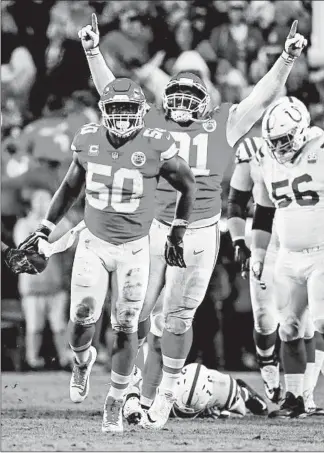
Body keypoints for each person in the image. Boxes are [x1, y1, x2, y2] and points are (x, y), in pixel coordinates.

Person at [79, 14, 307, 428]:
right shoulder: (150, 122)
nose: (182, 105)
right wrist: (93, 51)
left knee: (177, 318)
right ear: (165, 99)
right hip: (153, 225)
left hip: (199, 228)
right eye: (177, 97)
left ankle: (162, 396)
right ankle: (131, 392)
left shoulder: (223, 120)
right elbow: (111, 91)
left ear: (204, 100)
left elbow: (262, 94)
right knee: (134, 311)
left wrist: (287, 60)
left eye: (190, 97)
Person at [18, 77, 196, 434]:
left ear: (142, 112)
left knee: (127, 325)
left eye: (128, 109)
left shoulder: (156, 143)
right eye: (115, 108)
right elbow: (70, 186)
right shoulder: (88, 141)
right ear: (104, 111)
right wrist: (44, 227)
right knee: (81, 322)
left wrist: (178, 229)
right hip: (93, 242)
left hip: (134, 249)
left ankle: (114, 401)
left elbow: (187, 184)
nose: (121, 115)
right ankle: (83, 361)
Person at [227, 105, 324, 415]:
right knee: (289, 328)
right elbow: (264, 211)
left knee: (321, 322)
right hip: (286, 256)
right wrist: (255, 252)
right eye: (274, 140)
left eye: (284, 139)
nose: (279, 146)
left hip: (321, 252)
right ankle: (295, 399)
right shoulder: (265, 157)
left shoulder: (320, 148)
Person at [13, 189, 72, 370]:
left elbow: (69, 239)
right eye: (38, 200)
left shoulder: (61, 223)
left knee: (59, 326)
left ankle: (64, 360)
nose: (42, 204)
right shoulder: (23, 223)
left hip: (56, 285)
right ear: (32, 203)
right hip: (32, 287)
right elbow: (26, 246)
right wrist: (48, 240)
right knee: (34, 327)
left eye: (46, 200)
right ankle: (32, 361)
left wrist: (44, 237)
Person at [124, 362, 267, 421]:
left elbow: (242, 413)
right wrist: (133, 401)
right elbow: (133, 385)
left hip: (216, 382)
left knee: (261, 408)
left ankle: (244, 391)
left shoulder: (223, 388)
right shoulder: (161, 383)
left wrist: (223, 412)